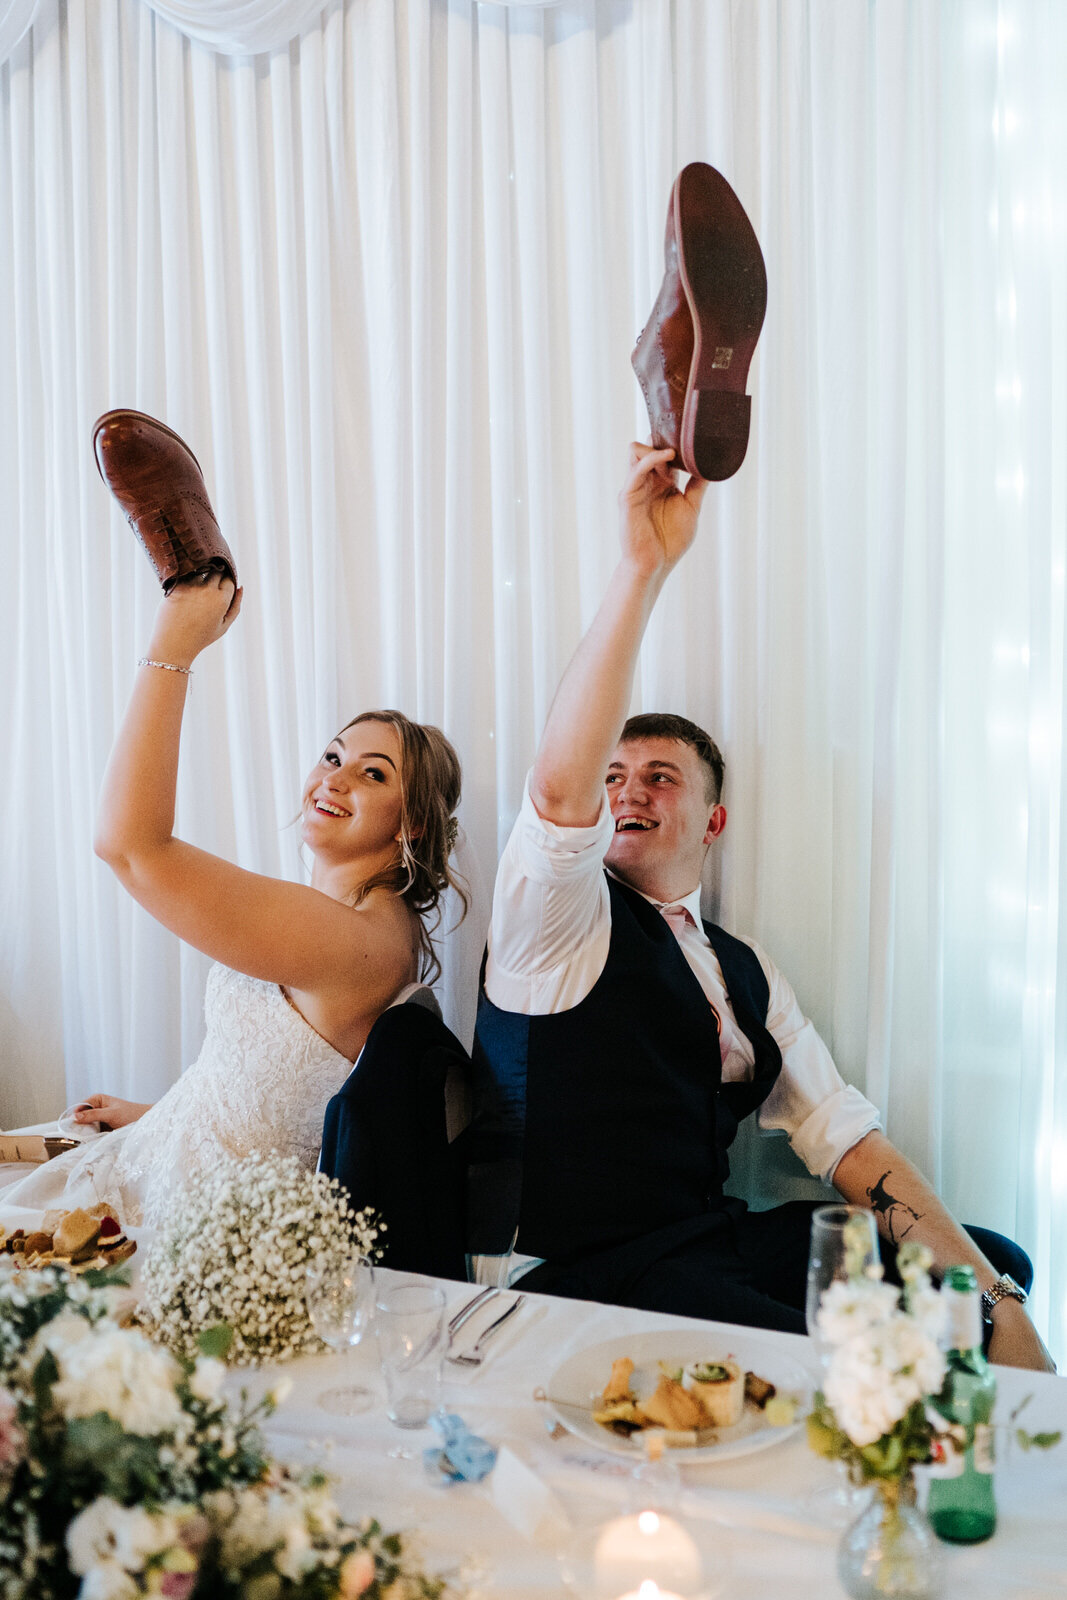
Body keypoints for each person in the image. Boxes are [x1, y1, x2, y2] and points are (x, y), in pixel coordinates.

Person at [468, 441, 1055, 1372]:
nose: (629, 792)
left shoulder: (743, 967)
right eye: (616, 776)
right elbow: (554, 791)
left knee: (982, 1277)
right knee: (822, 1355)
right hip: (576, 1274)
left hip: (705, 1242)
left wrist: (992, 1297)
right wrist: (640, 569)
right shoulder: (555, 923)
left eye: (661, 778)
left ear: (714, 818)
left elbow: (845, 1137)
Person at [4, 566, 465, 1231]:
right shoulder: (356, 924)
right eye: (333, 757)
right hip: (161, 1159)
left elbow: (129, 847)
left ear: (412, 822)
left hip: (190, 1225)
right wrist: (156, 1114)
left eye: (372, 774)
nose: (334, 780)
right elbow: (274, 1090)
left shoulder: (352, 940)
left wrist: (175, 645)